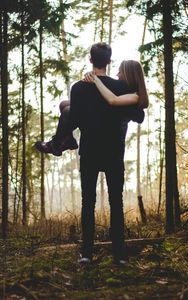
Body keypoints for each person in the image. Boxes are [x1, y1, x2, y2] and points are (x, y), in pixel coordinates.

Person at [35, 42, 148, 265]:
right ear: (109, 61)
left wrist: (68, 125)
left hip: (89, 152)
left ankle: (87, 254)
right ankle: (120, 256)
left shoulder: (78, 88)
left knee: (88, 203)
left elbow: (72, 116)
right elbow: (138, 115)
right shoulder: (122, 87)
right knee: (116, 203)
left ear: (90, 60)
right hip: (114, 153)